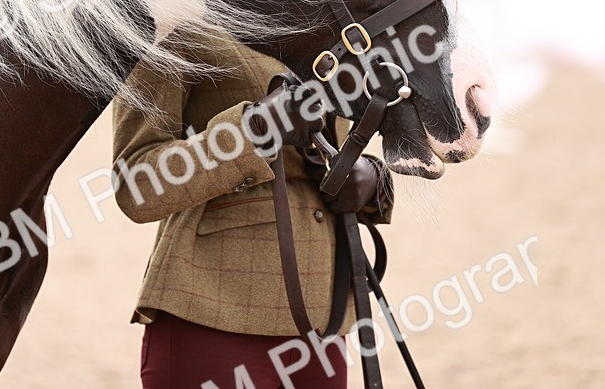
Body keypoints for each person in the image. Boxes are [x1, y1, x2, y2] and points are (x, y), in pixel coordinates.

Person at [113, 30, 395, 389]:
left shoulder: (329, 36)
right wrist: (254, 131)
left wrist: (372, 178)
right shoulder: (181, 30)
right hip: (212, 308)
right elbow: (136, 186)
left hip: (324, 318)